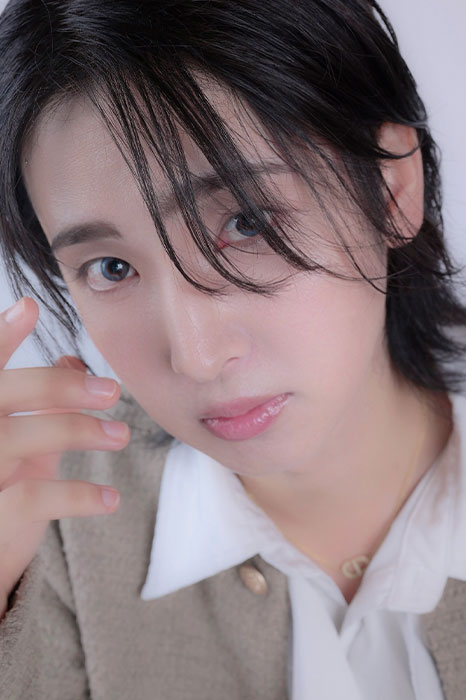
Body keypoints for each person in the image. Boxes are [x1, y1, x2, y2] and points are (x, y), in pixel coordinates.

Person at [0, 0, 465, 697]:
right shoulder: (42, 535)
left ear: (392, 188)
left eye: (246, 222)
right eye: (111, 268)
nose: (196, 356)